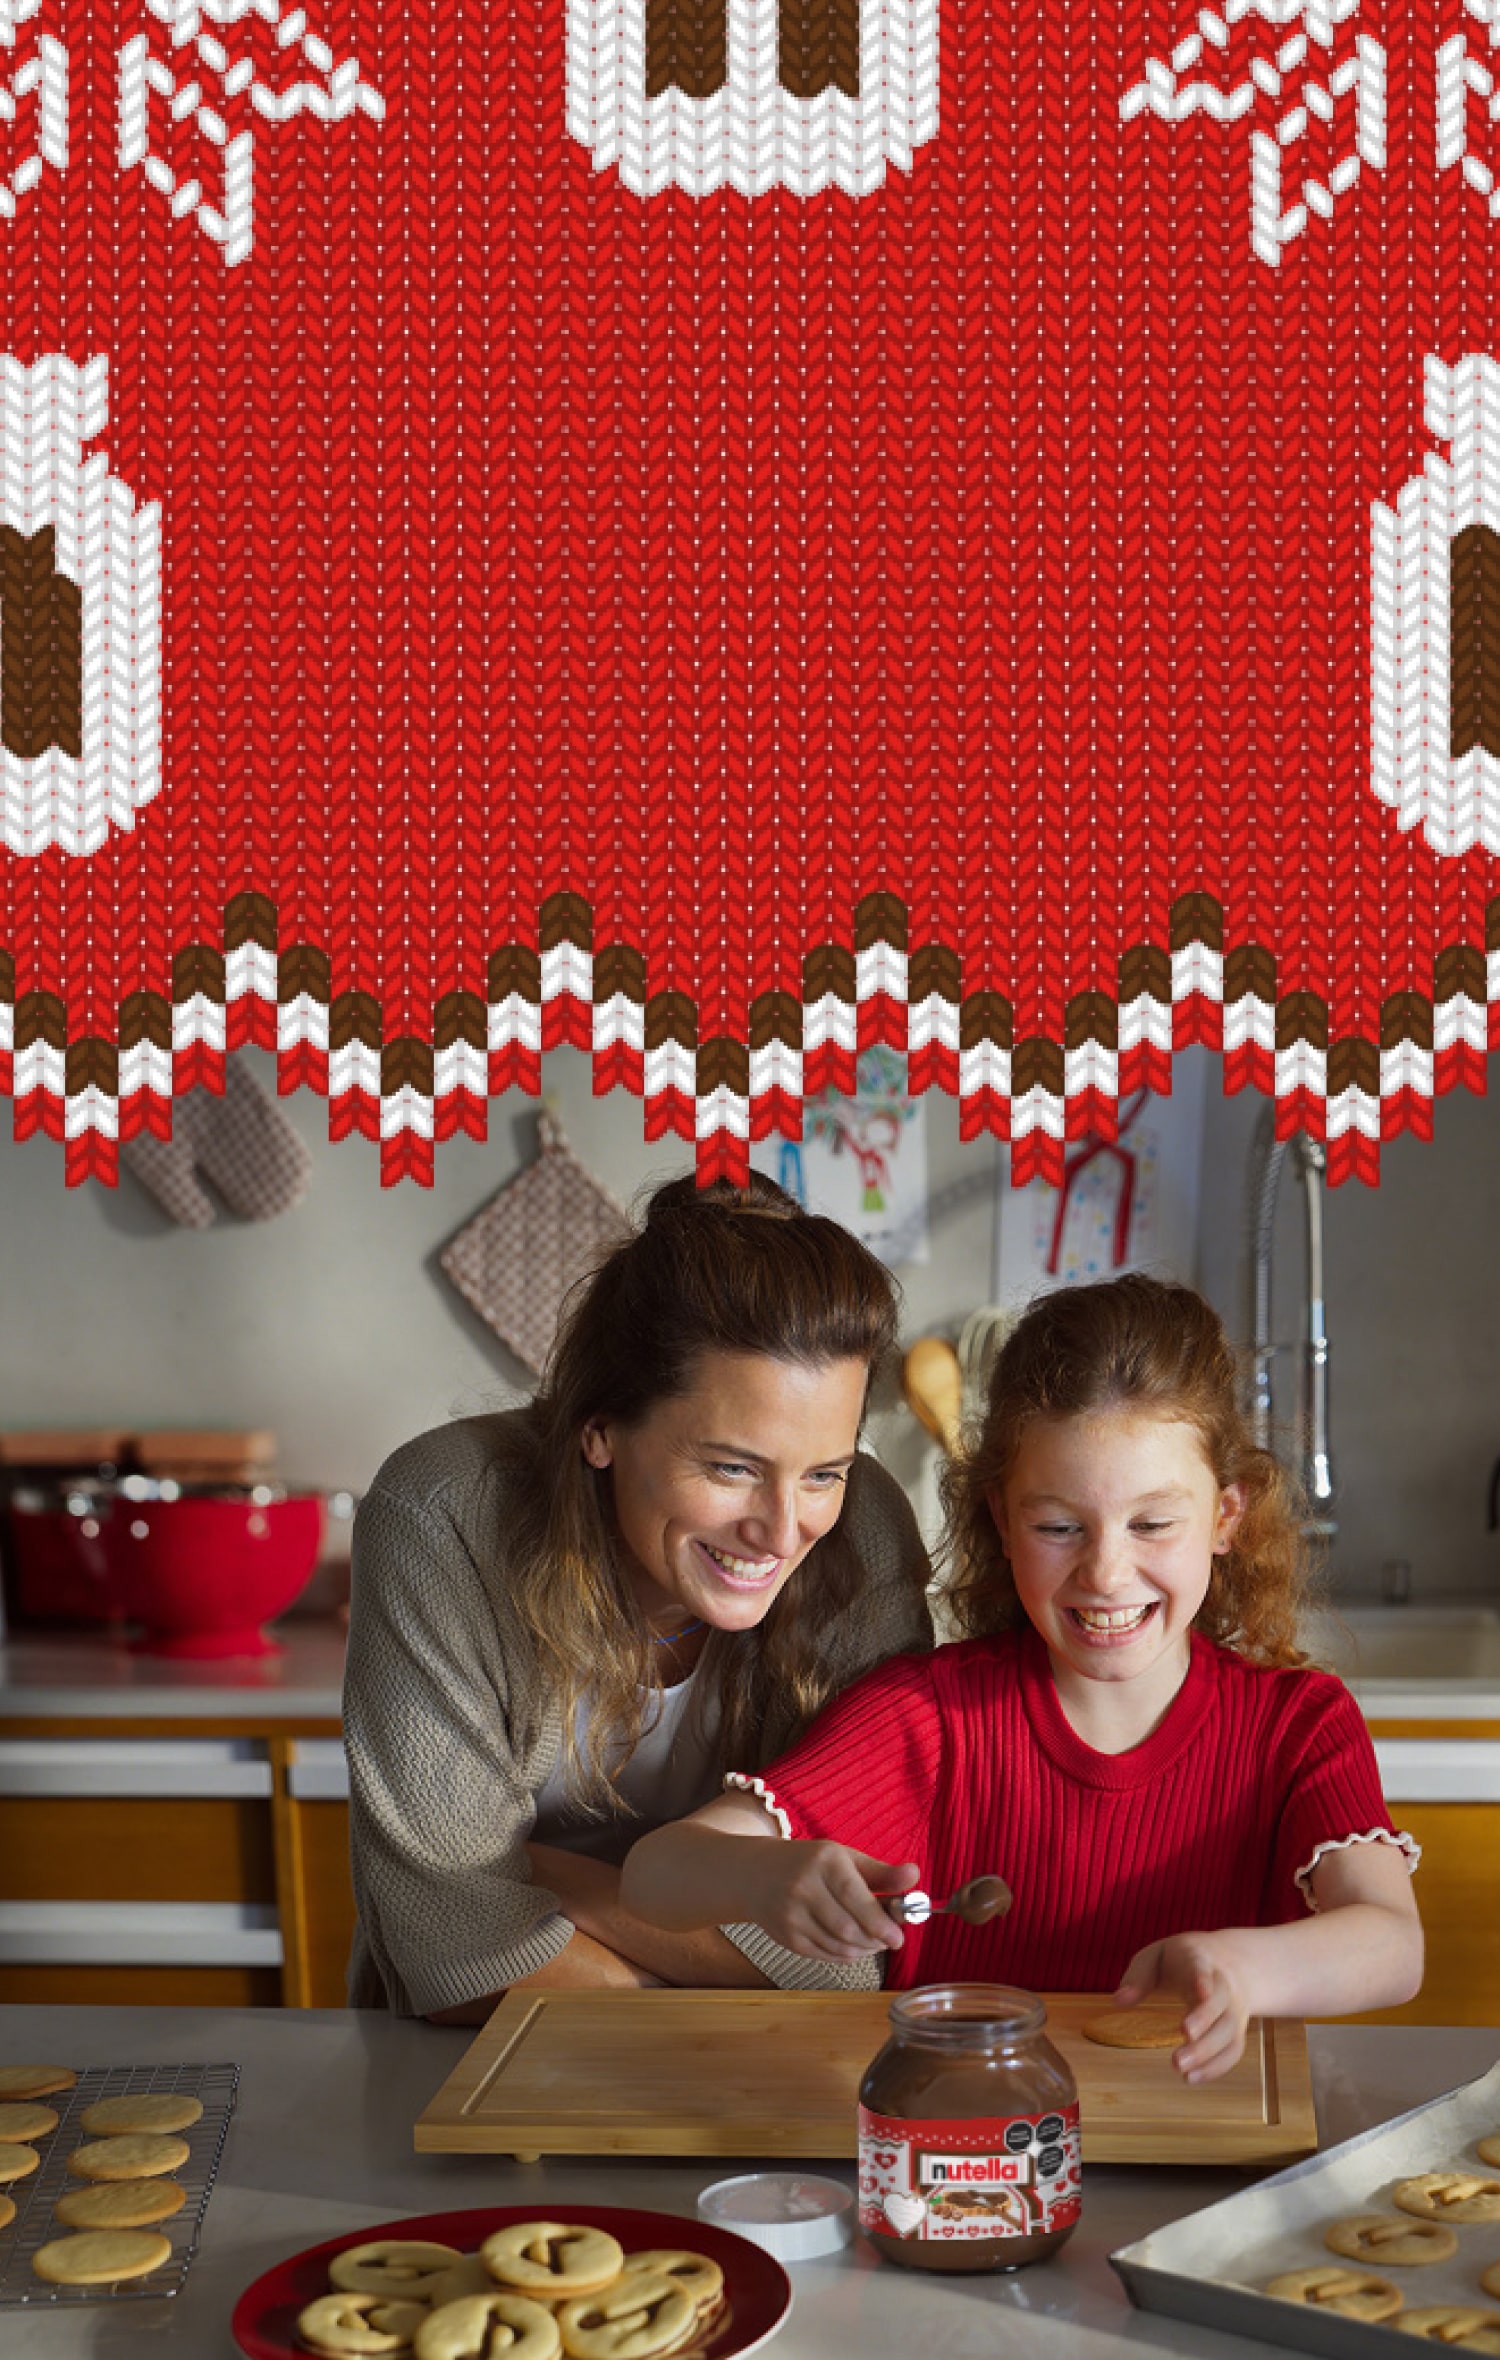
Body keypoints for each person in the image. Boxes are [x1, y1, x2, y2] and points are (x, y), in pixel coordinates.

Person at [622, 1273, 1424, 2081]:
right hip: (959, 2154)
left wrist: (1245, 1971)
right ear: (1002, 1521)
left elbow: (1392, 1945)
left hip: (1208, 2152)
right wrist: (766, 1876)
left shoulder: (1298, 1725)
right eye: (1059, 1526)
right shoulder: (927, 1718)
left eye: (1151, 1523)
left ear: (1224, 1516)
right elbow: (657, 1872)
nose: (1106, 1572)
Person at [343, 1170, 934, 2020]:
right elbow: (454, 1957)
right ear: (601, 1429)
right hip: (462, 2076)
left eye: (823, 1473)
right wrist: (711, 1961)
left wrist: (544, 1875)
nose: (780, 1530)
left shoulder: (864, 1526)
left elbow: (852, 1963)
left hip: (760, 2082)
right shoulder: (444, 1518)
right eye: (732, 1467)